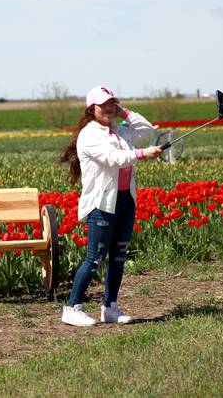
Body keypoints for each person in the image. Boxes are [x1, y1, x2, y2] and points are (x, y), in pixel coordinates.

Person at [58, 85, 162, 327]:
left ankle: (110, 307)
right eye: (103, 104)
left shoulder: (118, 131)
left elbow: (146, 129)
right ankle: (72, 307)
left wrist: (123, 111)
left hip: (125, 200)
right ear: (91, 109)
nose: (108, 109)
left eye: (111, 103)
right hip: (102, 203)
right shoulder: (90, 135)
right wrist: (142, 154)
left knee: (118, 256)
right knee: (94, 258)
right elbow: (113, 159)